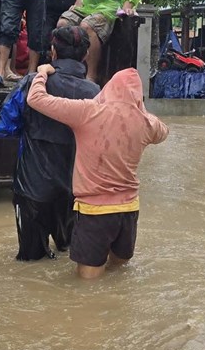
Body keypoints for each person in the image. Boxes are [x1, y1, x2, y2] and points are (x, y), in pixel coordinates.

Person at [27, 66, 168, 278]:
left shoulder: (88, 112)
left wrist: (42, 73)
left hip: (95, 212)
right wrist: (138, 108)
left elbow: (36, 98)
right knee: (119, 272)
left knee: (88, 284)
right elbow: (163, 132)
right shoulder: (147, 123)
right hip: (129, 211)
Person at [0, 26, 100, 260]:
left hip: (32, 187)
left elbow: (3, 127)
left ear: (53, 52)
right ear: (85, 56)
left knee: (30, 262)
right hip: (75, 191)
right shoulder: (95, 92)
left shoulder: (33, 83)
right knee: (72, 257)